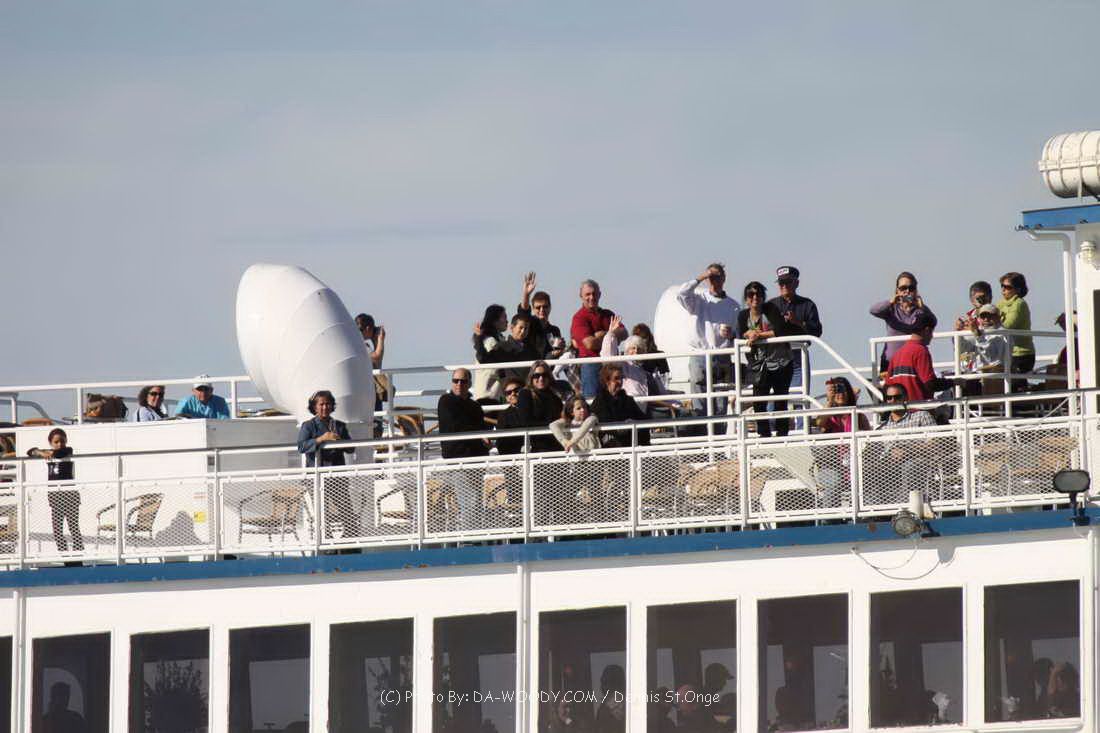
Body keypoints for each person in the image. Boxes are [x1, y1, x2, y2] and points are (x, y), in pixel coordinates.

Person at [676, 264, 740, 423]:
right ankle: (703, 433)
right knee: (700, 402)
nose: (713, 280)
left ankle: (718, 437)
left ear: (724, 278)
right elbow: (682, 293)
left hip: (723, 355)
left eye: (717, 276)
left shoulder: (734, 306)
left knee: (721, 405)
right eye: (711, 277)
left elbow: (738, 334)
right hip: (700, 355)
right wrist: (701, 277)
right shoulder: (698, 300)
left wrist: (731, 335)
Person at [297, 390, 359, 541]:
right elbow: (302, 446)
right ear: (315, 407)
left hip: (337, 475)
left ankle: (349, 542)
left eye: (328, 404)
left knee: (346, 510)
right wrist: (321, 439)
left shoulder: (340, 426)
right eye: (321, 404)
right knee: (322, 512)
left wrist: (340, 440)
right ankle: (326, 542)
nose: (325, 407)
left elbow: (351, 449)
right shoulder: (308, 426)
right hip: (317, 477)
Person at [768, 266, 823, 427]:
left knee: (800, 398)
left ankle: (801, 432)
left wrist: (797, 322)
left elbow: (816, 332)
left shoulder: (807, 305)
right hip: (775, 357)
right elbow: (763, 329)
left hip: (798, 358)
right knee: (772, 399)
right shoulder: (771, 305)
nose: (784, 286)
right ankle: (771, 434)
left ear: (796, 283)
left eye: (787, 282)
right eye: (781, 283)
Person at [437, 368, 489, 530]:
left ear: (469, 383)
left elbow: (480, 428)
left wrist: (484, 443)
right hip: (458, 459)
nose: (459, 384)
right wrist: (479, 434)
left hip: (476, 459)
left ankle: (474, 535)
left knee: (475, 501)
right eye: (456, 381)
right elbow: (456, 425)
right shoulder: (446, 401)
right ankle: (470, 537)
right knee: (470, 501)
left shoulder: (475, 406)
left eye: (463, 381)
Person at [740, 281, 793, 438]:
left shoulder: (770, 309)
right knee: (758, 401)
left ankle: (782, 434)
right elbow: (741, 332)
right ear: (746, 298)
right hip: (760, 364)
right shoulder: (743, 315)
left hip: (781, 362)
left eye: (759, 294)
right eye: (751, 294)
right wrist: (749, 334)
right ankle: (764, 434)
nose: (755, 297)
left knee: (780, 400)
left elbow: (780, 329)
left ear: (763, 297)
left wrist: (758, 335)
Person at [875, 383, 937, 502]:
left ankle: (907, 507)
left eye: (897, 397)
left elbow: (936, 444)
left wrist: (907, 451)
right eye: (889, 398)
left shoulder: (921, 416)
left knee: (910, 467)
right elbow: (872, 454)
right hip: (890, 468)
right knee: (872, 471)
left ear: (905, 398)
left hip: (919, 463)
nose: (893, 401)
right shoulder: (882, 428)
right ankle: (876, 509)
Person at [27, 428, 83, 556]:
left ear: (66, 441)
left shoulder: (68, 450)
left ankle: (77, 556)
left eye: (62, 441)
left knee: (73, 528)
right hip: (55, 496)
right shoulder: (47, 452)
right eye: (56, 442)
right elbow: (30, 451)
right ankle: (64, 556)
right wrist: (40, 452)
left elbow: (59, 454)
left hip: (70, 495)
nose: (60, 444)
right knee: (57, 530)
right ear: (50, 442)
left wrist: (47, 453)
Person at [870, 271, 938, 371]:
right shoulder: (891, 309)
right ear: (897, 291)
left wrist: (922, 307)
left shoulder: (920, 311)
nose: (907, 291)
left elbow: (932, 321)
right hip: (891, 362)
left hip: (913, 362)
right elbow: (874, 310)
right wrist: (890, 302)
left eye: (911, 288)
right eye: (903, 288)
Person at [600, 315, 668, 413]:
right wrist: (611, 334)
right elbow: (608, 358)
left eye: (639, 349)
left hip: (646, 408)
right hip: (630, 408)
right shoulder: (623, 364)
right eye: (632, 348)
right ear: (626, 351)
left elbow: (661, 393)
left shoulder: (646, 370)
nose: (636, 351)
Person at [570, 279, 626, 398]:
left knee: (615, 401)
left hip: (611, 366)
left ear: (599, 294)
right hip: (592, 365)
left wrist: (604, 334)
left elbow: (624, 333)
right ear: (581, 296)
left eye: (594, 294)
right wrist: (611, 335)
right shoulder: (579, 318)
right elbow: (589, 344)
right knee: (593, 401)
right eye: (588, 294)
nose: (591, 297)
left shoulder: (608, 314)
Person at [885, 312, 953, 403]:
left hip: (901, 409)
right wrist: (953, 382)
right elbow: (930, 384)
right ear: (927, 330)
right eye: (932, 332)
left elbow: (887, 386)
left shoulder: (897, 354)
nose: (932, 336)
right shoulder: (921, 351)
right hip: (918, 408)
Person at [473, 313, 540, 397]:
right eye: (521, 328)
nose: (523, 331)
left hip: (528, 392)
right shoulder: (502, 347)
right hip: (510, 393)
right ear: (512, 327)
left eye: (526, 328)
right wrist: (479, 339)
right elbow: (483, 359)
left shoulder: (531, 350)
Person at [591, 365, 650, 448]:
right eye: (616, 378)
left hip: (631, 444)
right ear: (607, 380)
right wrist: (626, 426)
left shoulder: (628, 400)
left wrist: (632, 423)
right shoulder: (600, 402)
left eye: (621, 378)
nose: (620, 381)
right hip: (611, 447)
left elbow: (642, 419)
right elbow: (606, 425)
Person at [996, 271, 1035, 392]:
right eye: (1002, 286)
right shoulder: (1000, 303)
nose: (1003, 289)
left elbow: (1008, 326)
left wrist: (995, 321)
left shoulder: (1019, 304)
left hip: (1022, 354)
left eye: (1007, 287)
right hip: (1007, 353)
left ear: (1018, 289)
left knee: (1015, 386)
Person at [516, 361, 564, 453]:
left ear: (549, 377)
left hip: (558, 443)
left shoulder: (555, 394)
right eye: (537, 375)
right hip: (538, 446)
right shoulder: (525, 394)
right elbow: (525, 421)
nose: (541, 378)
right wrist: (552, 425)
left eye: (544, 375)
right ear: (531, 377)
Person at [517, 271, 566, 359]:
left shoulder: (554, 330)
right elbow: (523, 312)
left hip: (549, 366)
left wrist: (561, 349)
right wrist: (526, 294)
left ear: (550, 307)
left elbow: (556, 355)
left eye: (545, 307)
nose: (542, 310)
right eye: (538, 307)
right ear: (533, 308)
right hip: (531, 366)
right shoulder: (530, 324)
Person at [962, 304, 1008, 396]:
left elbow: (990, 356)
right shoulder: (980, 331)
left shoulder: (1002, 333)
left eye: (990, 316)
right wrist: (959, 332)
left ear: (998, 317)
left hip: (993, 376)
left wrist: (978, 335)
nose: (986, 319)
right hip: (979, 375)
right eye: (983, 317)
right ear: (979, 319)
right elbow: (963, 348)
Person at [472, 304, 508, 401]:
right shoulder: (489, 341)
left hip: (494, 393)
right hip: (488, 394)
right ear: (495, 320)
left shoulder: (497, 339)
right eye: (504, 317)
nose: (507, 321)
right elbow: (484, 359)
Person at [493, 377, 527, 455]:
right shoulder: (503, 415)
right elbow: (501, 443)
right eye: (509, 392)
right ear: (506, 398)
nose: (513, 394)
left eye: (517, 390)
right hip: (513, 457)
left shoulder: (535, 409)